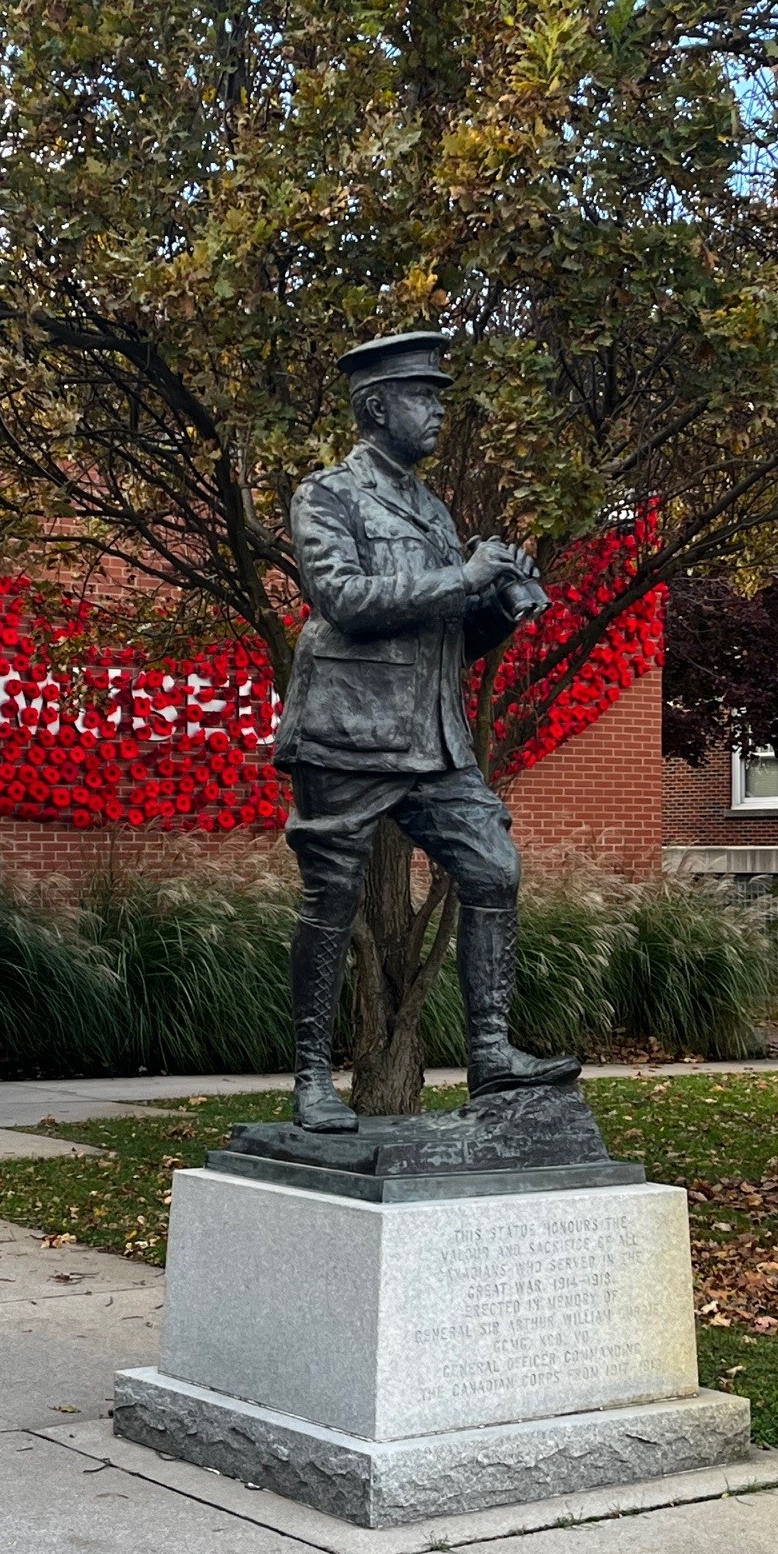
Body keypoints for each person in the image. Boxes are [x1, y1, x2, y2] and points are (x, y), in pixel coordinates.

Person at [274, 330, 581, 1132]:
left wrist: (497, 609)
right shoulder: (328, 495)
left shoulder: (433, 511)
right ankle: (312, 1078)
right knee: (332, 898)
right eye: (423, 396)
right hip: (349, 727)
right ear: (377, 407)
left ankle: (491, 1053)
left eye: (439, 397)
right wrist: (463, 576)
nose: (438, 410)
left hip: (432, 738)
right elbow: (342, 599)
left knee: (493, 868)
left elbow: (444, 638)